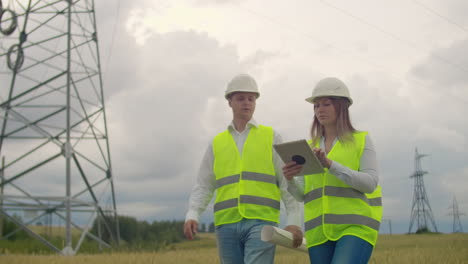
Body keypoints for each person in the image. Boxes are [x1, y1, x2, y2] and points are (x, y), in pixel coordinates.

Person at [184, 73, 303, 264]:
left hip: (262, 222)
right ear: (229, 102)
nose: (246, 103)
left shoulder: (271, 137)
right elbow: (204, 184)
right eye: (240, 98)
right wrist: (193, 213)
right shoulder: (217, 143)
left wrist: (294, 222)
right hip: (225, 225)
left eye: (251, 98)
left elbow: (286, 181)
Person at [283, 77, 382, 264]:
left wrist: (331, 165)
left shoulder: (361, 140)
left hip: (355, 228)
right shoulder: (309, 148)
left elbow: (370, 184)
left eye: (326, 104)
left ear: (342, 106)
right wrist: (290, 179)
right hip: (318, 232)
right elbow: (302, 195)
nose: (320, 109)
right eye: (316, 106)